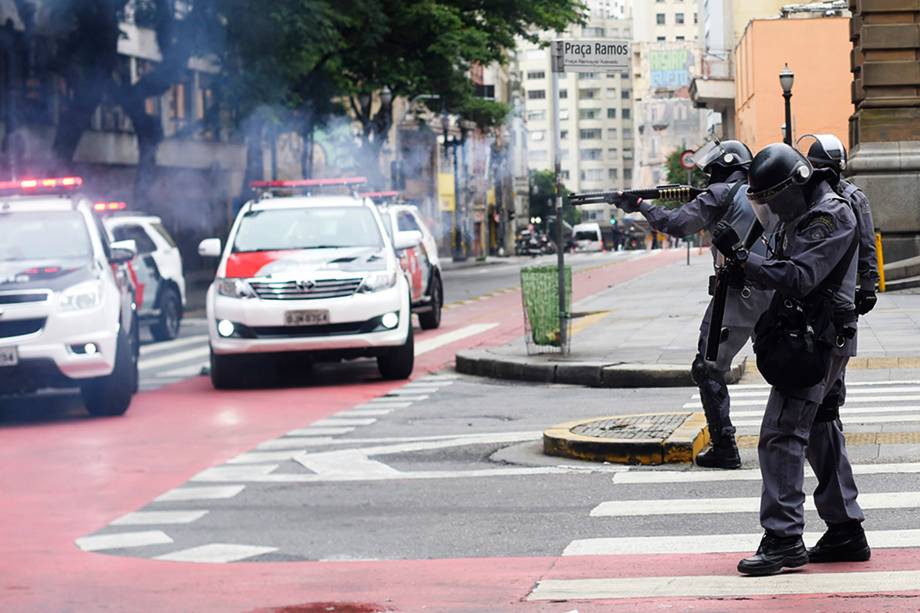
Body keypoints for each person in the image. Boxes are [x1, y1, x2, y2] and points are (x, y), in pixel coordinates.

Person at [714, 143, 868, 576]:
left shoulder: (828, 216)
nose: (764, 210)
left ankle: (783, 538)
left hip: (818, 339)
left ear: (789, 189)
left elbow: (801, 276)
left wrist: (748, 263)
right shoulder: (800, 212)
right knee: (819, 428)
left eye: (767, 200)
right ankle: (845, 530)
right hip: (816, 333)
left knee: (781, 433)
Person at [615, 140, 775, 469]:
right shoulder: (766, 192)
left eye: (712, 173)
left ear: (723, 169)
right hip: (778, 287)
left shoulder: (720, 195)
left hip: (739, 294)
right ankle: (810, 433)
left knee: (707, 368)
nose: (707, 180)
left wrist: (642, 204)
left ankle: (724, 446)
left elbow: (676, 225)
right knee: (784, 360)